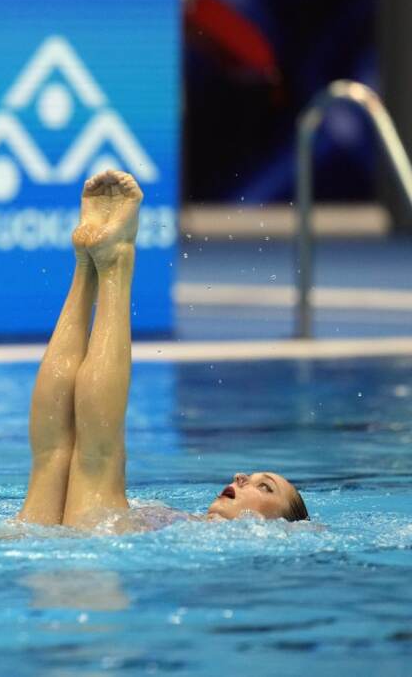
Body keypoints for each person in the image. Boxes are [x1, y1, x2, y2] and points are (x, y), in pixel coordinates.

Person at [17, 170, 308, 529]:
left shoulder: (221, 543)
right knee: (58, 460)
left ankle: (109, 262)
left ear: (278, 526)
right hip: (74, 542)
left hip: (68, 545)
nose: (241, 477)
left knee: (77, 460)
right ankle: (95, 263)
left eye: (265, 488)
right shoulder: (185, 526)